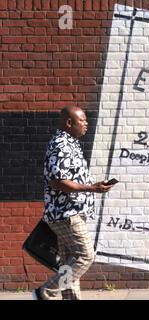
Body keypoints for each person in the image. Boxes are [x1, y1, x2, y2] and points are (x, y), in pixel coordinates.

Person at [32, 106, 113, 300]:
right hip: (65, 214)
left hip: (70, 212)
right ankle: (46, 292)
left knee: (69, 262)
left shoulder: (71, 143)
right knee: (85, 256)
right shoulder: (61, 145)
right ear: (69, 123)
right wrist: (92, 188)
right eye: (82, 120)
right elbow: (58, 181)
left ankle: (70, 298)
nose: (86, 124)